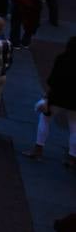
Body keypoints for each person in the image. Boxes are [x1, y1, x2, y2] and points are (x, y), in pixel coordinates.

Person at [22, 34, 76, 165]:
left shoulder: (62, 58)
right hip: (75, 99)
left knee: (45, 119)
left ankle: (38, 148)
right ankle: (72, 157)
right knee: (74, 127)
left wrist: (47, 95)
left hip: (58, 95)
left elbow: (53, 79)